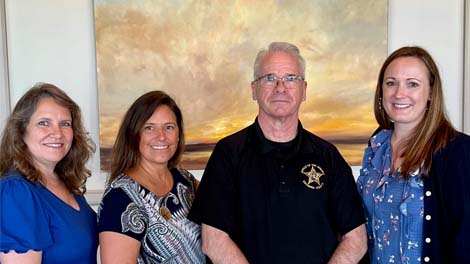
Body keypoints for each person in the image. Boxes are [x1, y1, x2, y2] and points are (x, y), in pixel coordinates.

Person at [188, 42, 367, 263]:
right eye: (270, 78)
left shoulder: (328, 156)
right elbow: (213, 239)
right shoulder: (228, 153)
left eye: (291, 78)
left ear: (304, 90)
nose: (280, 87)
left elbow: (356, 238)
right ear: (254, 89)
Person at [357, 46, 470, 263]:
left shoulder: (458, 152)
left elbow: (465, 241)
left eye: (412, 84)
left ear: (430, 93)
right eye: (391, 83)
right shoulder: (376, 146)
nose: (399, 93)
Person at [97, 90, 205, 263]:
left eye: (169, 127)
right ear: (134, 135)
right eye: (149, 128)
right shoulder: (120, 198)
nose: (161, 136)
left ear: (178, 134)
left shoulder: (186, 181)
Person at [0, 83, 98, 263]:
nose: (57, 133)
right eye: (44, 123)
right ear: (21, 130)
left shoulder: (66, 183)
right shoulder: (17, 191)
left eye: (65, 124)